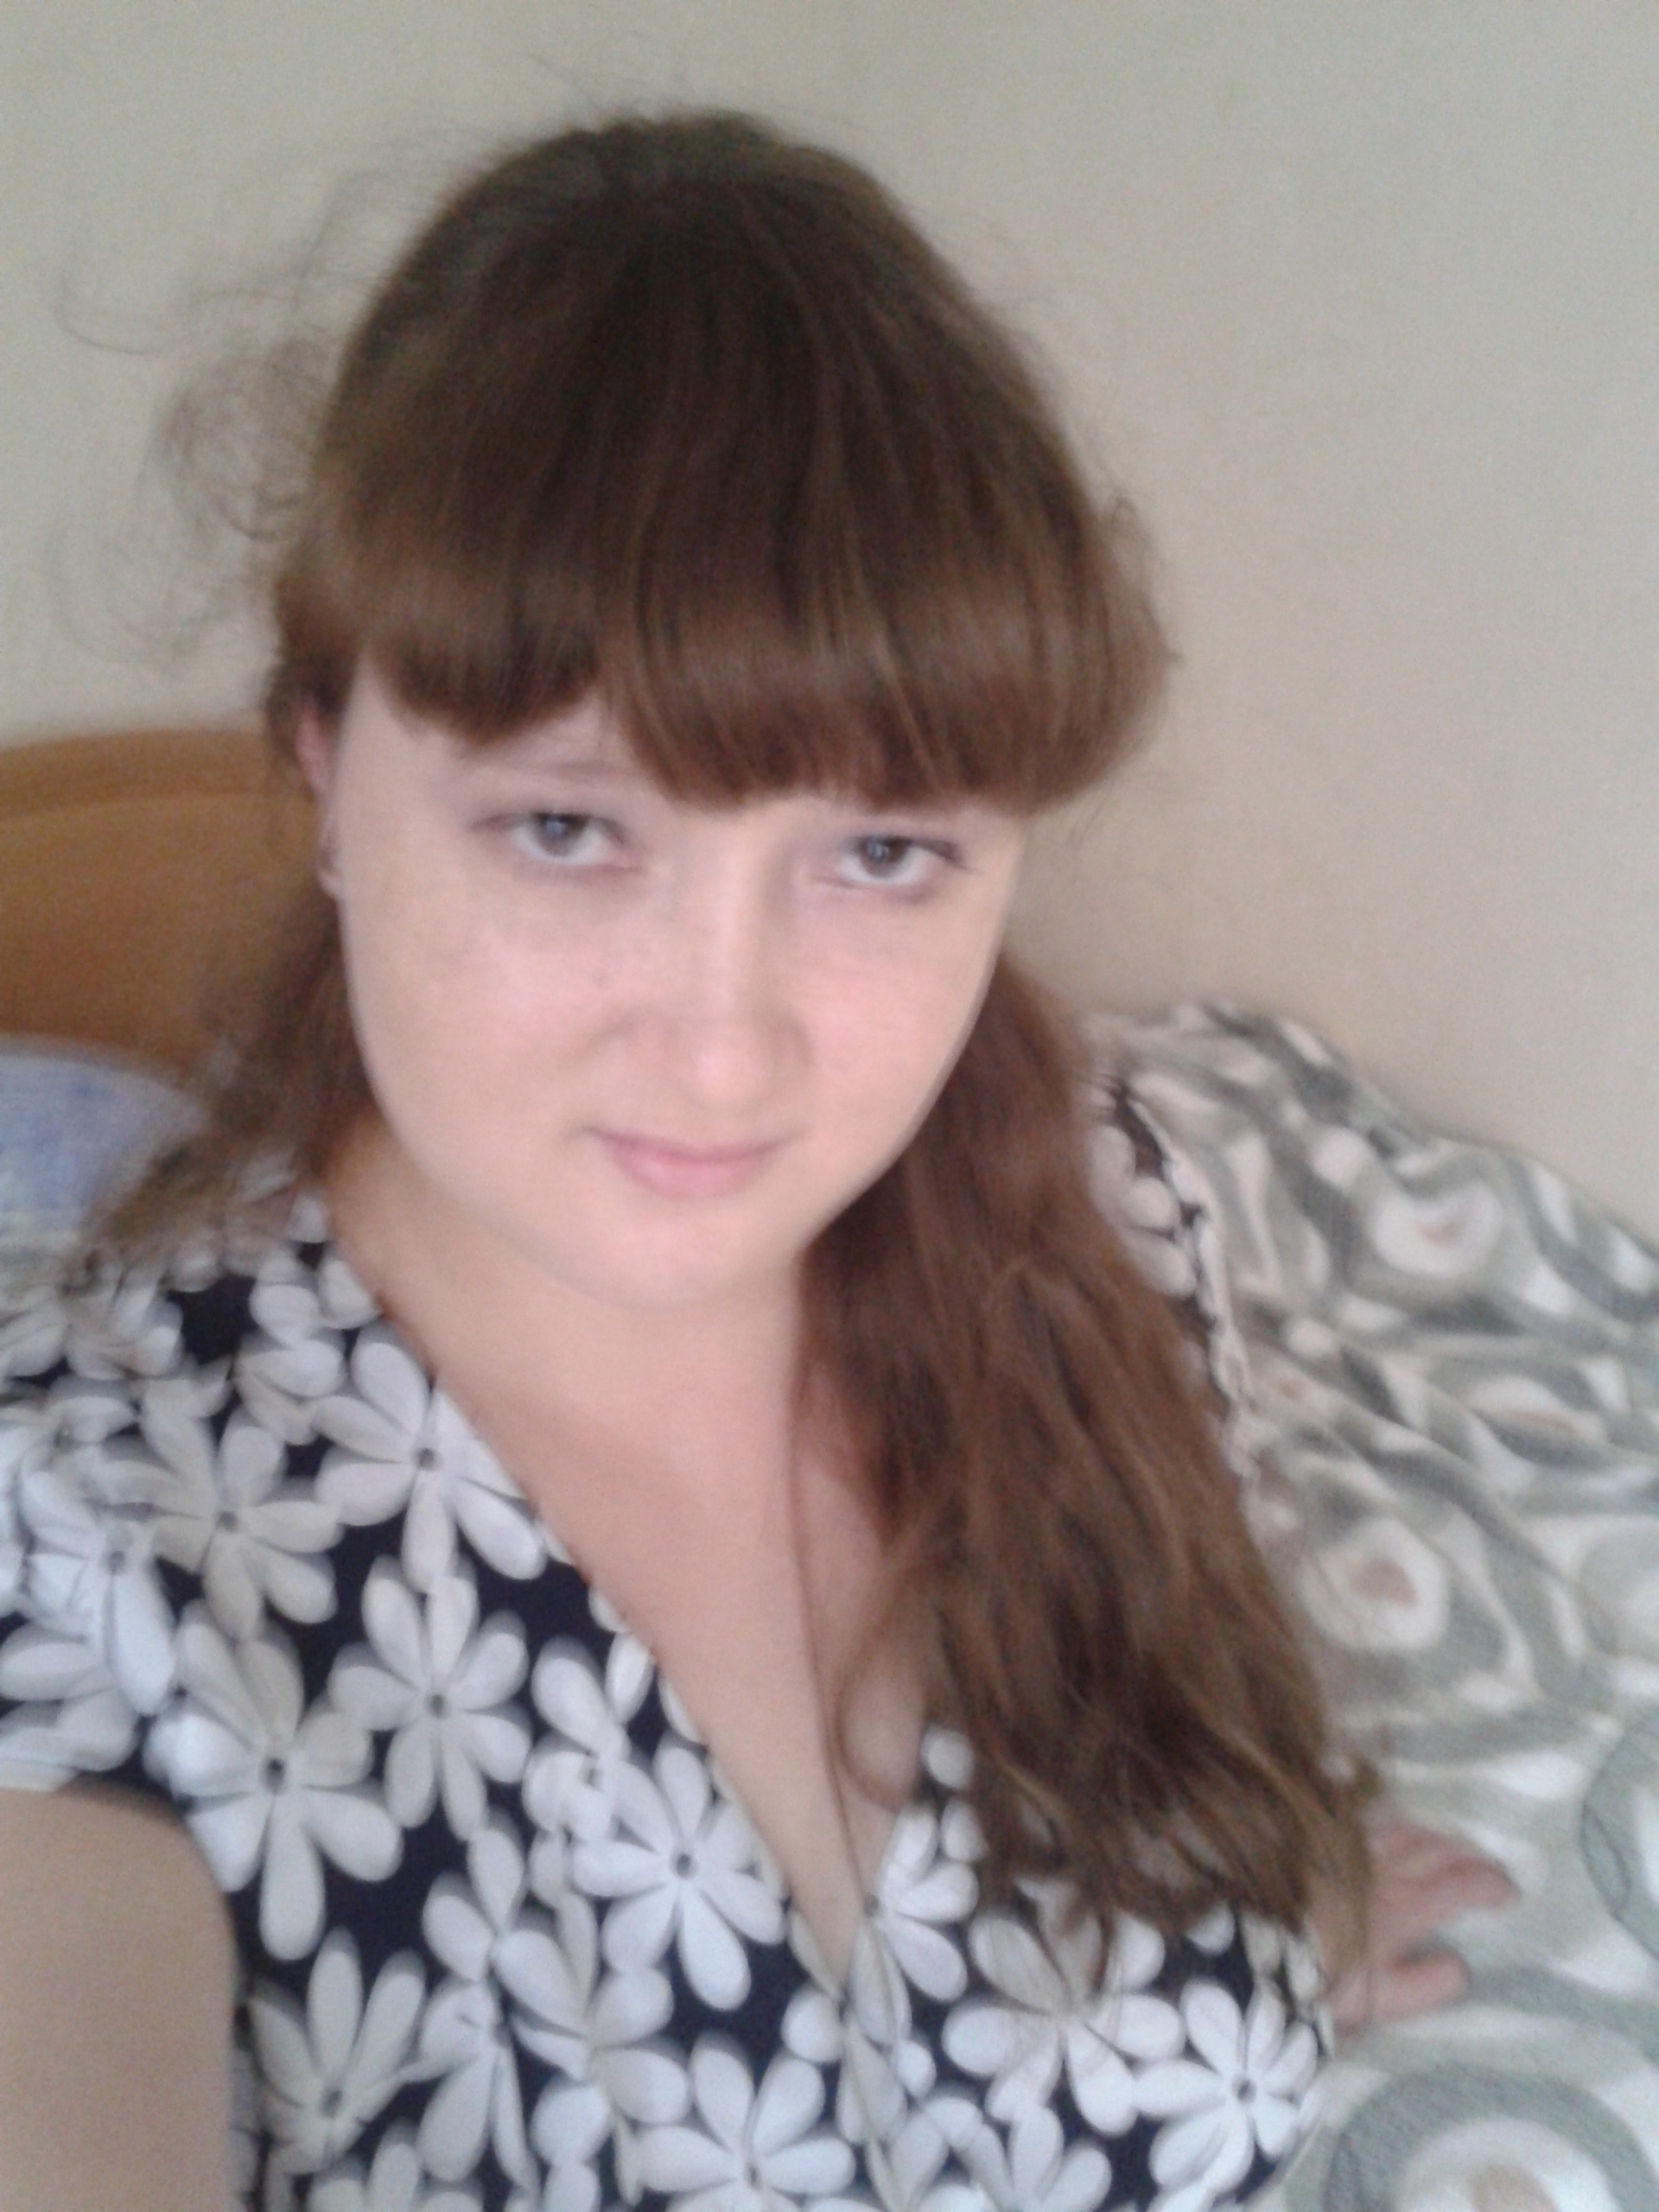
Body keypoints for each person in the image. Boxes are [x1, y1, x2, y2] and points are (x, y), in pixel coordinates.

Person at [0, 111, 1510, 2212]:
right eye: (565, 827)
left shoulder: (1100, 1231)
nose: (727, 1047)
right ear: (326, 778)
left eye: (883, 852)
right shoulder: (78, 1535)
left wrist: (1263, 1928)